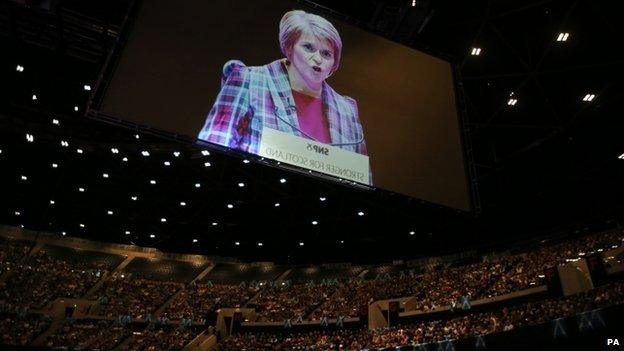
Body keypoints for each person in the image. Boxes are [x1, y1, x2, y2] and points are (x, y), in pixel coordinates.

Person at [198, 10, 368, 159]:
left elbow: (360, 177)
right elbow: (213, 145)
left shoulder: (347, 109)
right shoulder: (248, 80)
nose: (318, 58)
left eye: (326, 53)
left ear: (334, 63)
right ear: (289, 48)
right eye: (308, 47)